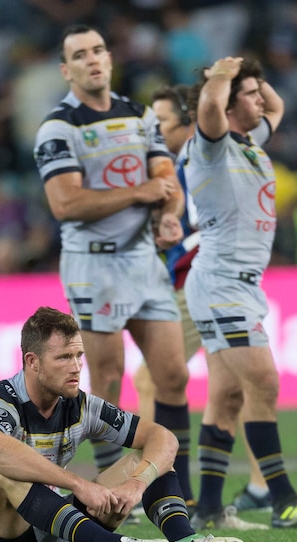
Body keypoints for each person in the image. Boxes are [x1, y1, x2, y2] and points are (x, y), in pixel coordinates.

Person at [33, 24, 194, 508]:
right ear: (67, 69)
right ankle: (105, 492)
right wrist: (139, 193)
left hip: (144, 261)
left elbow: (166, 180)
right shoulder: (58, 127)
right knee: (106, 380)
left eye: (99, 50)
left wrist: (167, 216)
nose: (93, 59)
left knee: (174, 376)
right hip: (94, 267)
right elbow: (65, 203)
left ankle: (175, 493)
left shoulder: (139, 116)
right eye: (80, 54)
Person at [182, 57, 297, 529]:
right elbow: (212, 103)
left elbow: (278, 104)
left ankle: (209, 510)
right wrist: (220, 76)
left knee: (229, 396)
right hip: (222, 285)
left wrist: (248, 75)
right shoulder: (210, 146)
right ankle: (283, 500)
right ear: (228, 106)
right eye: (249, 95)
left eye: (257, 92)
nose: (260, 100)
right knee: (264, 383)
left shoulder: (249, 142)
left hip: (239, 286)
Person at [0, 306, 245, 542]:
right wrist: (80, 485)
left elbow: (163, 438)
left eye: (79, 355)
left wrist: (136, 484)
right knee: (3, 472)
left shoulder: (82, 405)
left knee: (149, 459)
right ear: (33, 362)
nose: (77, 366)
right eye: (64, 357)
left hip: (52, 530)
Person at [135, 84, 273, 517]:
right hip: (203, 282)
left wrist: (232, 74)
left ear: (188, 122)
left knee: (155, 381)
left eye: (160, 123)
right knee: (232, 387)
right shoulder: (186, 160)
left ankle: (154, 484)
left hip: (196, 284)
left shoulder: (198, 159)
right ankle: (259, 486)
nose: (152, 131)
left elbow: (201, 221)